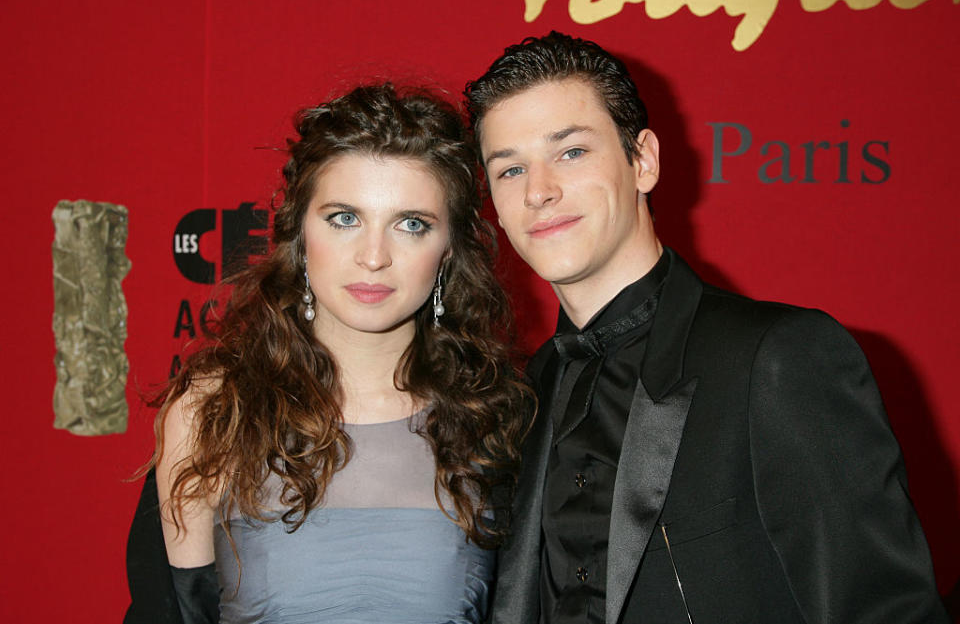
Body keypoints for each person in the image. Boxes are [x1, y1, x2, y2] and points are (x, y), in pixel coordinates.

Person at [464, 32, 950, 624]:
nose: (538, 191)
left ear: (643, 160)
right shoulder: (520, 398)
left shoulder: (779, 357)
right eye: (510, 169)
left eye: (571, 152)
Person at [124, 83, 532, 624]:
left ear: (450, 248)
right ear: (299, 231)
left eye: (412, 224)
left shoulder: (500, 417)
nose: (373, 257)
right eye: (344, 218)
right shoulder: (213, 411)